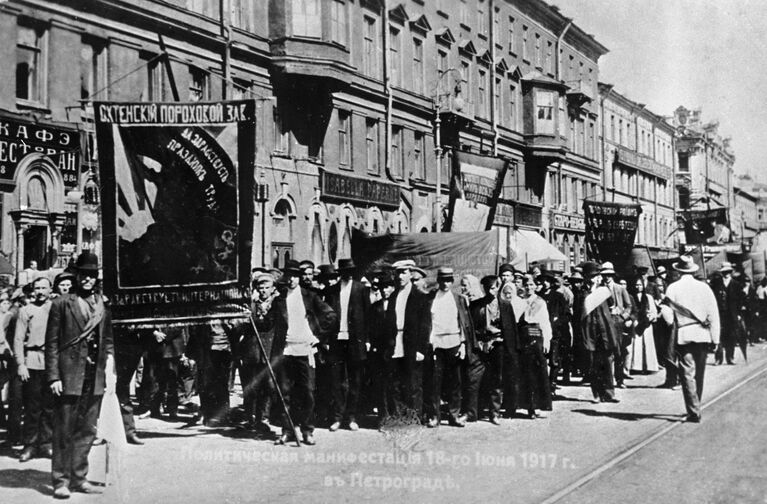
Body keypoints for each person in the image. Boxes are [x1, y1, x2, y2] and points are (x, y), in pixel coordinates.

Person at [45, 252, 115, 498]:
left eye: (92, 275)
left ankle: (79, 477)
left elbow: (107, 341)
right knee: (64, 429)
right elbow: (51, 343)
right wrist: (53, 376)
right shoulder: (61, 303)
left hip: (93, 375)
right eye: (84, 274)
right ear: (76, 275)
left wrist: (110, 368)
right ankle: (60, 481)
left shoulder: (102, 304)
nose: (88, 279)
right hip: (68, 374)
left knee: (87, 430)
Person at [272, 260, 337, 446]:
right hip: (286, 350)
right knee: (285, 392)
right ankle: (287, 430)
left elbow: (331, 315)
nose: (291, 279)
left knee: (307, 391)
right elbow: (268, 323)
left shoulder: (310, 296)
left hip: (306, 349)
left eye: (295, 276)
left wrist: (319, 336)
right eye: (289, 276)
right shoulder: (280, 299)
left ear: (299, 278)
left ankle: (307, 430)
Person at [662, 255, 720, 423]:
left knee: (687, 373)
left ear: (678, 270)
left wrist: (671, 321)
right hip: (702, 334)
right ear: (693, 270)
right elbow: (713, 314)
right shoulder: (704, 288)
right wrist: (715, 339)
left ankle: (693, 410)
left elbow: (667, 314)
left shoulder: (672, 288)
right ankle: (696, 405)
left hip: (684, 335)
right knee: (699, 373)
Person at [423, 267, 473, 428]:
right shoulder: (430, 298)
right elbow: (427, 322)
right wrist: (430, 343)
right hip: (436, 344)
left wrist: (463, 344)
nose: (445, 283)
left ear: (452, 282)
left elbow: (463, 323)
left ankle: (454, 415)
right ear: (438, 281)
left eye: (448, 280)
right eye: (442, 280)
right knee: (434, 382)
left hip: (454, 343)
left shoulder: (459, 299)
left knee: (455, 382)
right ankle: (434, 416)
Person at [323, 258, 369, 432]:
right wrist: (326, 340)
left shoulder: (362, 289)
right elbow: (326, 318)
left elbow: (367, 316)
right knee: (336, 381)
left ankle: (351, 417)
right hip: (336, 342)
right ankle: (337, 417)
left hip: (355, 341)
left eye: (350, 271)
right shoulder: (332, 291)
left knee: (355, 380)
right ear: (340, 273)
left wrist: (367, 340)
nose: (347, 274)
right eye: (344, 271)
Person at [14, 277, 54, 462]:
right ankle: (30, 444)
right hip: (32, 360)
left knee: (50, 406)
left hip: (52, 361)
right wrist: (21, 364)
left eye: (43, 288)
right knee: (32, 406)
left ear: (50, 289)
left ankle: (46, 443)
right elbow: (18, 339)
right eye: (37, 288)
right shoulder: (25, 310)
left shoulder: (56, 308)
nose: (40, 291)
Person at [384, 259, 429, 421]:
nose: (400, 276)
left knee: (413, 383)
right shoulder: (394, 295)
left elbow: (425, 325)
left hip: (412, 344)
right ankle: (397, 417)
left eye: (403, 272)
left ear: (411, 273)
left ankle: (414, 417)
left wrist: (420, 349)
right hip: (395, 343)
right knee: (395, 383)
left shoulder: (419, 296)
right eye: (397, 273)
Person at [238, 273, 277, 436]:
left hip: (268, 350)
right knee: (250, 385)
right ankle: (250, 417)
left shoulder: (276, 303)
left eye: (267, 288)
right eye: (260, 288)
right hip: (251, 351)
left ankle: (264, 418)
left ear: (273, 289)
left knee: (267, 385)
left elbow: (268, 323)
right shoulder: (250, 304)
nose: (263, 291)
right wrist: (252, 305)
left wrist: (256, 309)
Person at [580, 262, 621, 404]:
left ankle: (610, 393)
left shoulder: (604, 291)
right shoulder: (582, 292)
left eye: (596, 276)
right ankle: (597, 393)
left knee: (608, 362)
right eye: (591, 276)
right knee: (594, 364)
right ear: (585, 277)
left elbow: (612, 307)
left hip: (604, 332)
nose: (594, 279)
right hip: (590, 333)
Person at [517, 274, 553, 419]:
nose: (529, 287)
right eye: (526, 285)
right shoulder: (519, 301)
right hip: (523, 338)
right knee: (527, 373)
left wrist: (547, 340)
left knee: (539, 373)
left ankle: (538, 405)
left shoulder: (540, 302)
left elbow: (545, 322)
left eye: (531, 285)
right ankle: (529, 406)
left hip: (537, 337)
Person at [469, 275, 503, 424]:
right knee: (474, 378)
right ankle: (472, 412)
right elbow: (471, 328)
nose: (491, 291)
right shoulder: (476, 305)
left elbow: (509, 329)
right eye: (488, 288)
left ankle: (494, 413)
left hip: (498, 346)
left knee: (496, 379)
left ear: (499, 287)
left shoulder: (505, 305)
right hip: (480, 345)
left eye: (494, 287)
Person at [601, 262, 635, 388]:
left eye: (609, 275)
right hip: (604, 323)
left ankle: (620, 379)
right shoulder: (599, 289)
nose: (607, 277)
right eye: (605, 275)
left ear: (613, 275)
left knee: (618, 351)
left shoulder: (620, 289)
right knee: (606, 352)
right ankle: (608, 380)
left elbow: (629, 306)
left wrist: (622, 317)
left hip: (617, 323)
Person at [538, 272, 570, 393]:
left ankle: (552, 384)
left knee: (554, 360)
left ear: (551, 283)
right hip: (540, 331)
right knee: (542, 359)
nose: (545, 283)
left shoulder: (558, 296)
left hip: (554, 332)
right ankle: (543, 385)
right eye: (543, 281)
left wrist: (557, 322)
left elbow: (566, 314)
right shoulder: (538, 296)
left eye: (547, 281)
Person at [711, 262, 742, 365]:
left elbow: (740, 300)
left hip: (731, 315)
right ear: (722, 272)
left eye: (728, 271)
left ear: (731, 272)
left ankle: (730, 357)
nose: (726, 274)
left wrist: (738, 314)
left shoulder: (736, 285)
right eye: (725, 272)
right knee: (718, 336)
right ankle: (718, 359)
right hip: (719, 314)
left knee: (731, 336)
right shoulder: (716, 283)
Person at [628, 276, 660, 374]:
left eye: (640, 285)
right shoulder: (631, 297)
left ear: (643, 286)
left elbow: (654, 310)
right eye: (636, 285)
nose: (638, 287)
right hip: (636, 323)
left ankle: (649, 366)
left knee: (647, 344)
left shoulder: (648, 297)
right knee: (636, 345)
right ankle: (636, 367)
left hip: (646, 323)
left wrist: (650, 317)